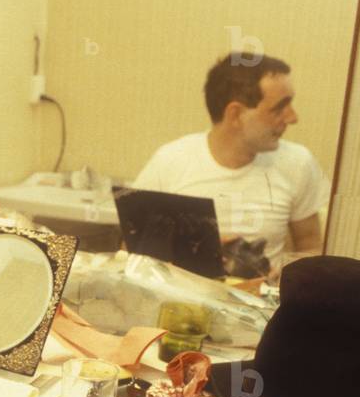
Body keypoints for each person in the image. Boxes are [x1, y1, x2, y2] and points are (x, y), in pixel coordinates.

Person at [131, 53, 330, 264]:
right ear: (235, 114)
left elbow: (311, 247)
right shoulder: (170, 160)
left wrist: (285, 270)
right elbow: (132, 248)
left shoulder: (298, 162)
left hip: (266, 286)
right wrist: (195, 250)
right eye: (279, 108)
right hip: (183, 285)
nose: (293, 118)